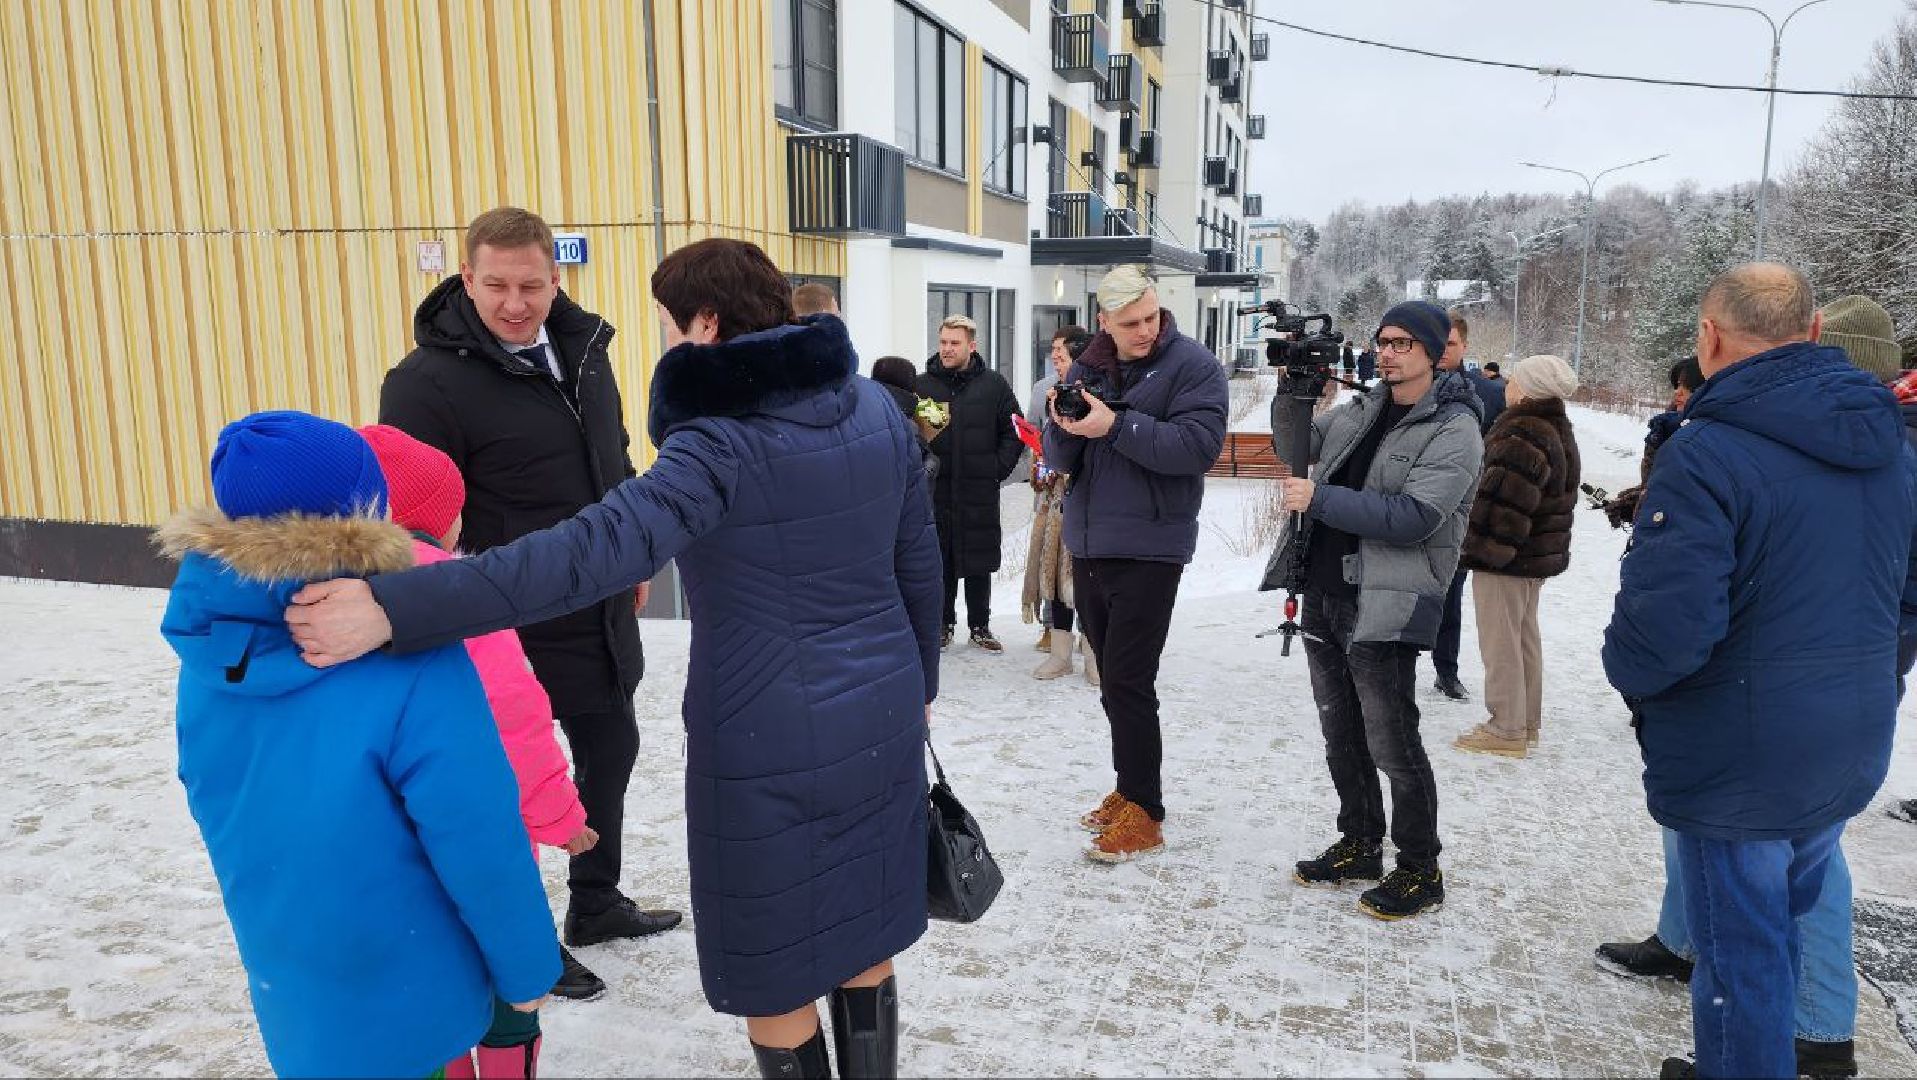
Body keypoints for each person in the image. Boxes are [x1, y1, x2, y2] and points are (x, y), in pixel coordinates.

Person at [286, 238, 942, 1080]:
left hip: (769, 733)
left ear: (703, 324)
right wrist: (919, 683)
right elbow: (915, 560)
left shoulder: (717, 446)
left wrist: (396, 602)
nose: (666, 339)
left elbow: (579, 556)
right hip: (882, 707)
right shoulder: (872, 407)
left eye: (669, 324)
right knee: (861, 928)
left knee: (774, 960)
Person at [158, 411, 559, 1079]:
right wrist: (526, 967)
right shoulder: (407, 652)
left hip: (295, 981)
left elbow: (211, 789)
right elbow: (476, 830)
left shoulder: (213, 658)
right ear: (366, 511)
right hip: (412, 982)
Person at [1601, 264, 1917, 1079]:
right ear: (1813, 333)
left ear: (1706, 338)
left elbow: (1666, 627)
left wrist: (1634, 682)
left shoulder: (1706, 450)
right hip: (1846, 736)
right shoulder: (1892, 447)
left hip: (1740, 756)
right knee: (1778, 923)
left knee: (1737, 959)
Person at [377, 207, 676, 1001]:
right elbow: (413, 515)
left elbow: (612, 460)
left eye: (532, 285)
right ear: (466, 279)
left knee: (609, 750)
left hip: (600, 598)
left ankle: (596, 901)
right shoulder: (424, 382)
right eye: (498, 285)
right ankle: (527, 939)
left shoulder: (585, 351)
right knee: (508, 787)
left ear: (556, 279)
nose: (516, 303)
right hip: (500, 616)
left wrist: (634, 553)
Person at [359, 423, 600, 1073]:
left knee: (423, 1003)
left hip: (376, 861)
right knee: (506, 987)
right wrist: (558, 815)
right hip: (476, 840)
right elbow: (515, 715)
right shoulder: (463, 598)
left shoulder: (319, 600)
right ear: (436, 520)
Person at [1280, 300, 1483, 920]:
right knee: (1340, 732)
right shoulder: (1361, 409)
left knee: (1392, 740)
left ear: (1430, 350)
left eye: (1401, 343)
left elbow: (1416, 517)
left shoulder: (1454, 427)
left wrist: (1321, 499)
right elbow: (1294, 445)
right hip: (1325, 592)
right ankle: (1360, 843)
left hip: (1387, 602)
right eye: (1382, 341)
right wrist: (1294, 390)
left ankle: (1420, 867)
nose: (1387, 352)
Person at [1044, 265, 1229, 863]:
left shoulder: (1193, 365)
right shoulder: (1090, 366)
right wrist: (1063, 417)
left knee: (1127, 679)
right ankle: (1129, 791)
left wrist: (1116, 424)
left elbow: (1196, 449)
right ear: (1105, 322)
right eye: (1130, 323)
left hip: (1152, 543)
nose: (1145, 329)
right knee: (1115, 681)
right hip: (1092, 540)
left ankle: (1145, 812)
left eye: (1151, 316)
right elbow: (1058, 456)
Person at [1452, 355, 1582, 758]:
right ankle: (1524, 722)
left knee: (1500, 642)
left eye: (1515, 380)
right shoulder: (1557, 427)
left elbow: (1503, 503)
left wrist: (1481, 550)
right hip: (1534, 557)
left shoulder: (1522, 430)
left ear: (1527, 389)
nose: (1507, 385)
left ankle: (1505, 728)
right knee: (1524, 638)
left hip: (1506, 557)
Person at [917, 314, 1024, 652]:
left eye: (955, 343)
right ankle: (943, 625)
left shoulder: (994, 385)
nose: (947, 349)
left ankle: (980, 625)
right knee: (941, 560)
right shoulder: (923, 386)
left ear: (971, 346)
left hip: (979, 490)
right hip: (939, 492)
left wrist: (997, 468)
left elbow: (1015, 430)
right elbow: (912, 436)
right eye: (944, 342)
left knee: (979, 559)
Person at [1427, 311, 1497, 701]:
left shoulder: (1487, 396)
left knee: (1449, 594)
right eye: (1436, 343)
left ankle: (1446, 669)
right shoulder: (1405, 387)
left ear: (1465, 346)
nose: (1442, 351)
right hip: (1407, 506)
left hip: (1460, 512)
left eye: (1450, 344)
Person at [1027, 325, 1096, 680]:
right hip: (1055, 497)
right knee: (1053, 572)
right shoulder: (1044, 391)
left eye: (1063, 351)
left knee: (1088, 577)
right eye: (1053, 350)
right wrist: (1041, 464)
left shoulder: (1099, 388)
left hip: (1092, 497)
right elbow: (1037, 435)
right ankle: (1060, 652)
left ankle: (1095, 655)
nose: (1055, 357)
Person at [1602, 357, 1704, 530]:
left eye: (1689, 387)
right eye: (1677, 385)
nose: (1678, 392)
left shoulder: (1700, 437)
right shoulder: (1668, 428)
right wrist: (1633, 502)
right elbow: (1664, 487)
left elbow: (1690, 503)